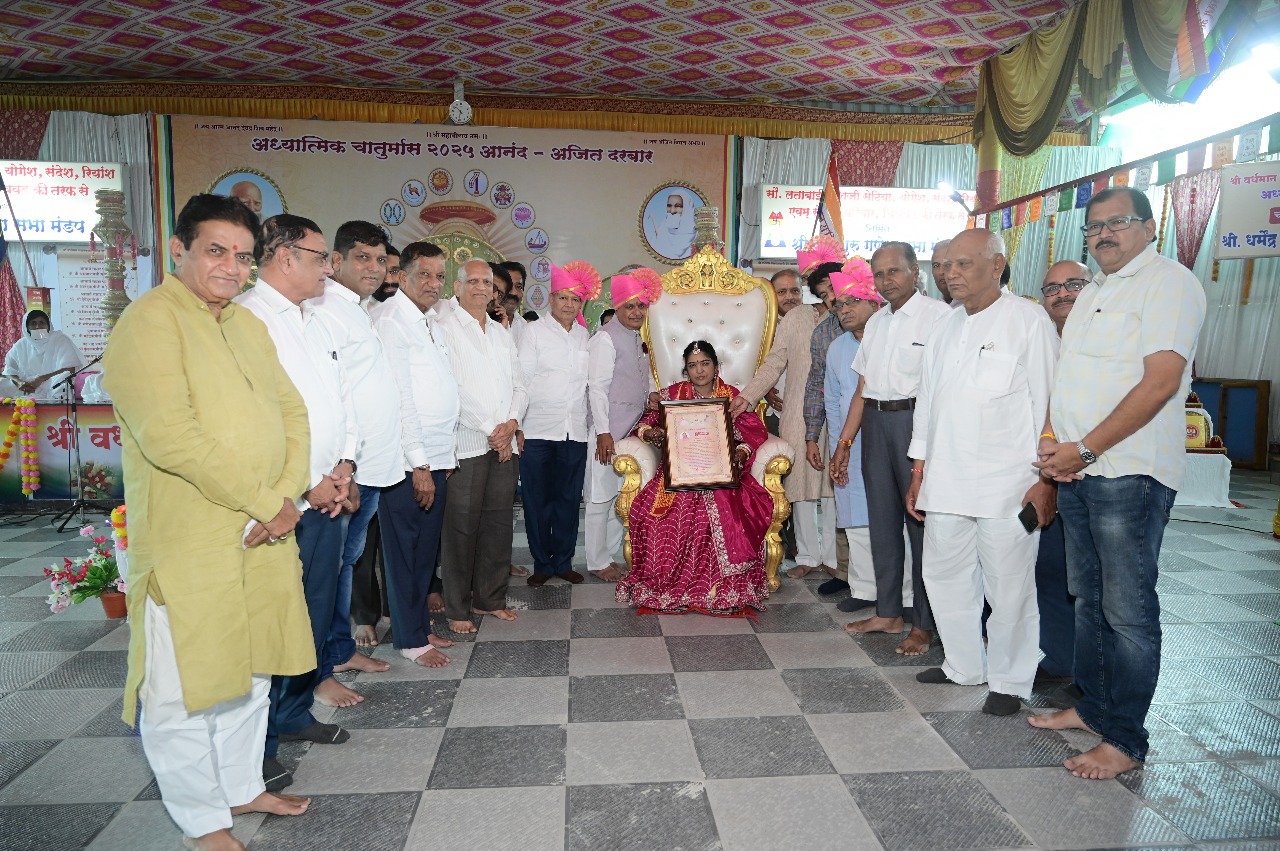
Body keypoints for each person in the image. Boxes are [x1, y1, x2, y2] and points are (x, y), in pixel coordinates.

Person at [103, 194, 313, 851]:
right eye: (216, 250)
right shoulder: (149, 322)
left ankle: (241, 785)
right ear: (179, 249)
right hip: (191, 540)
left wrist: (284, 498)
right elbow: (171, 437)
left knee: (251, 671)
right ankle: (201, 818)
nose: (231, 267)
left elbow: (293, 413)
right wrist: (265, 501)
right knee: (184, 683)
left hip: (263, 531)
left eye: (243, 256)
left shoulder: (245, 325)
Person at [1031, 187, 1207, 780]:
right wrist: (1056, 447)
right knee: (1089, 600)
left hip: (1128, 472)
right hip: (1081, 470)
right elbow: (1068, 382)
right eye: (1094, 227)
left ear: (1150, 227)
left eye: (1118, 223)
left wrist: (1084, 448)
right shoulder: (1095, 292)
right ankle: (1094, 709)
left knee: (1128, 611)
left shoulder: (1169, 283)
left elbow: (1160, 383)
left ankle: (1126, 739)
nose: (1103, 234)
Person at [905, 230, 1058, 716]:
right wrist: (919, 469)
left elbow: (1051, 405)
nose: (951, 274)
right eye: (947, 265)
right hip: (945, 478)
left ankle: (1010, 680)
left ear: (996, 266)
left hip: (1008, 483)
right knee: (944, 576)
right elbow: (927, 403)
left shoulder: (1028, 320)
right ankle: (963, 665)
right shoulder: (945, 325)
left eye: (963, 264)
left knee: (1009, 586)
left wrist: (1046, 481)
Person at [235, 215, 359, 774]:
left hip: (327, 491)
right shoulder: (248, 320)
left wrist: (345, 465)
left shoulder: (317, 321)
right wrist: (309, 482)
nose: (327, 268)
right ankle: (254, 748)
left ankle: (291, 711)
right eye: (319, 256)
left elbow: (339, 400)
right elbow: (259, 421)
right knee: (270, 622)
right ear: (285, 258)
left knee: (312, 610)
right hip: (283, 502)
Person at [830, 241, 950, 656]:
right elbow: (862, 389)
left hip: (916, 423)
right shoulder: (878, 322)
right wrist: (845, 443)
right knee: (881, 521)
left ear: (915, 271)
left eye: (894, 271)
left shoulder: (939, 317)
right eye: (879, 274)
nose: (886, 280)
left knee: (920, 526)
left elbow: (941, 389)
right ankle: (888, 612)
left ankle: (924, 623)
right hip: (876, 424)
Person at [616, 341, 772, 614]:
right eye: (692, 365)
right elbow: (643, 424)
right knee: (656, 517)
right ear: (686, 370)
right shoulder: (672, 396)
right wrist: (650, 434)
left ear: (716, 366)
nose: (699, 371)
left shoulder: (731, 396)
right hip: (679, 472)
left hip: (720, 473)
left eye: (705, 363)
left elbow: (753, 433)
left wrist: (741, 453)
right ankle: (671, 588)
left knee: (727, 512)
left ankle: (719, 589)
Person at [311, 220, 401, 681]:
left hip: (368, 464)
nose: (374, 267)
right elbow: (329, 397)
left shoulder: (359, 310)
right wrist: (342, 466)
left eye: (380, 259)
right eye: (362, 258)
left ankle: (339, 649)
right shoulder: (325, 311)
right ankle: (323, 663)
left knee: (346, 561)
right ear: (336, 261)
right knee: (330, 568)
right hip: (344, 470)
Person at [369, 241, 460, 666]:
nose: (433, 283)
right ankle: (408, 638)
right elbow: (401, 398)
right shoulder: (391, 320)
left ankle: (420, 626)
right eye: (424, 274)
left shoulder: (428, 320)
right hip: (409, 462)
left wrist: (445, 457)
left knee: (425, 551)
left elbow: (439, 387)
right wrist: (420, 463)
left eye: (439, 276)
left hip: (436, 456)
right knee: (404, 551)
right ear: (401, 275)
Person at [735, 255, 839, 581]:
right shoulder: (795, 319)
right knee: (800, 485)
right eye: (822, 286)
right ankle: (807, 556)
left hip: (839, 413)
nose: (828, 292)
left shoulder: (847, 316)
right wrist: (748, 397)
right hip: (797, 412)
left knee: (834, 486)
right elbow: (774, 363)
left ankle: (834, 558)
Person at [436, 259, 527, 634]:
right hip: (468, 444)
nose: (480, 287)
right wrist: (494, 429)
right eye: (471, 281)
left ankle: (489, 599)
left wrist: (511, 423)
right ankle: (457, 608)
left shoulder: (502, 334)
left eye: (486, 283)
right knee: (461, 527)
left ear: (494, 291)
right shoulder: (444, 327)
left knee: (498, 524)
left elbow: (520, 386)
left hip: (503, 445)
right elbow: (452, 388)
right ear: (457, 288)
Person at [518, 261, 599, 586]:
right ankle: (542, 563)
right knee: (537, 501)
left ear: (581, 304)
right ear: (551, 299)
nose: (568, 304)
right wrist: (517, 424)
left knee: (568, 500)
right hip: (537, 430)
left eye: (575, 299)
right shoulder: (534, 332)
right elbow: (522, 379)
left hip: (574, 432)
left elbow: (589, 386)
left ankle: (563, 562)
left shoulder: (584, 336)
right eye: (563, 298)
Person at [1033, 260, 1091, 682]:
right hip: (1047, 472)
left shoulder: (1101, 341)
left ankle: (1093, 676)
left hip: (1095, 472)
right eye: (1052, 288)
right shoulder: (1040, 340)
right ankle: (1058, 660)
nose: (1062, 294)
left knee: (1093, 584)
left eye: (1073, 284)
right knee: (1050, 570)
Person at [584, 268, 660, 582]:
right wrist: (603, 433)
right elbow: (597, 389)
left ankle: (609, 555)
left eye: (641, 306)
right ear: (617, 307)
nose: (636, 312)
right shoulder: (605, 338)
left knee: (621, 495)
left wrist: (651, 393)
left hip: (630, 429)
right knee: (599, 496)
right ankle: (596, 561)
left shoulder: (636, 337)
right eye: (630, 306)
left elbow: (643, 375)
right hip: (608, 430)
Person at [823, 263, 883, 611]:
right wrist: (837, 446)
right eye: (840, 305)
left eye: (853, 302)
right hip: (849, 444)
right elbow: (833, 401)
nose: (844, 310)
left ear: (875, 303)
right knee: (855, 515)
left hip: (887, 437)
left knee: (891, 516)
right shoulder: (837, 348)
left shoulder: (888, 339)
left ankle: (902, 594)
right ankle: (863, 589)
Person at [0, 309, 84, 399]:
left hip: (51, 381)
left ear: (48, 325)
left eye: (42, 322)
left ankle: (54, 405)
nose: (38, 326)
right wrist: (19, 382)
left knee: (64, 378)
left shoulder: (60, 339)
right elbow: (9, 371)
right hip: (26, 385)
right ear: (26, 327)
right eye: (33, 323)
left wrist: (41, 379)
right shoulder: (21, 344)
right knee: (2, 383)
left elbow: (70, 368)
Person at [645, 191, 695, 259]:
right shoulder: (663, 225)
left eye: (678, 206)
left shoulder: (697, 232)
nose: (672, 211)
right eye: (669, 206)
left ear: (687, 207)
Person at [929, 238, 954, 305]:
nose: (941, 272)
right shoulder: (933, 308)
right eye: (936, 265)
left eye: (947, 264)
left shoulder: (975, 307)